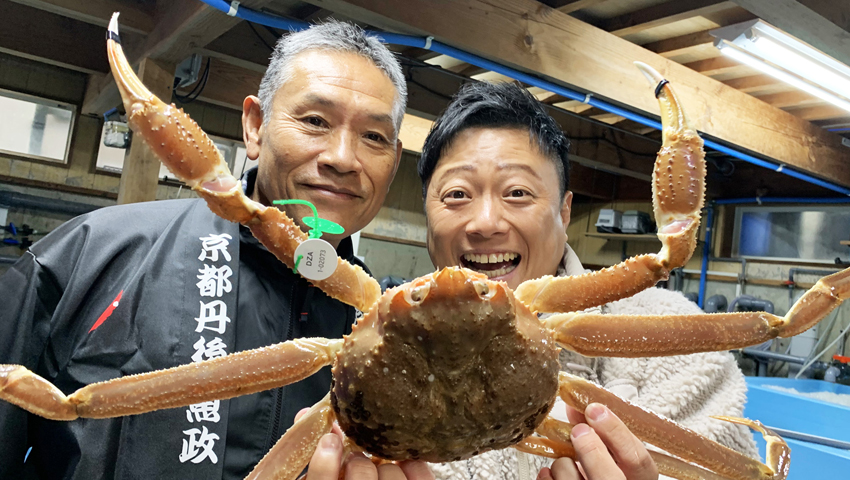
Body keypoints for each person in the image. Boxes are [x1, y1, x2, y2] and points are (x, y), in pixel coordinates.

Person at [0, 20, 427, 480]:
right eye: (315, 121)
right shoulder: (95, 252)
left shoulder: (394, 336)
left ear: (395, 161)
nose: (343, 158)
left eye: (374, 137)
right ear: (255, 126)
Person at [416, 81, 758, 480]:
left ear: (564, 213)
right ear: (427, 214)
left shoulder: (677, 346)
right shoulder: (379, 341)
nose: (486, 223)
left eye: (518, 192)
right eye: (457, 194)